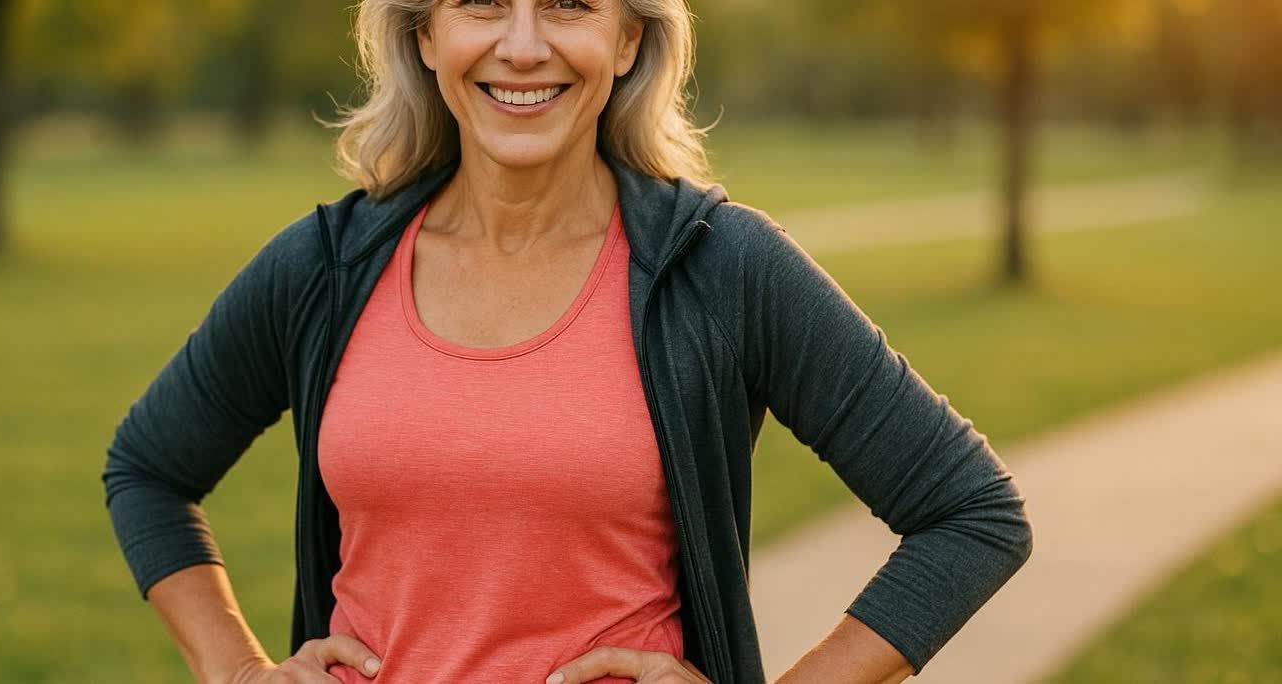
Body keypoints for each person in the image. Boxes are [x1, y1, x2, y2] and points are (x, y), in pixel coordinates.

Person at [100, 0, 1035, 682]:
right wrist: (239, 671)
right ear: (425, 35)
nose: (521, 45)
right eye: (480, 5)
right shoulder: (326, 269)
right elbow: (148, 468)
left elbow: (971, 514)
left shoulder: (723, 266)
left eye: (568, 6)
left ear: (628, 38)